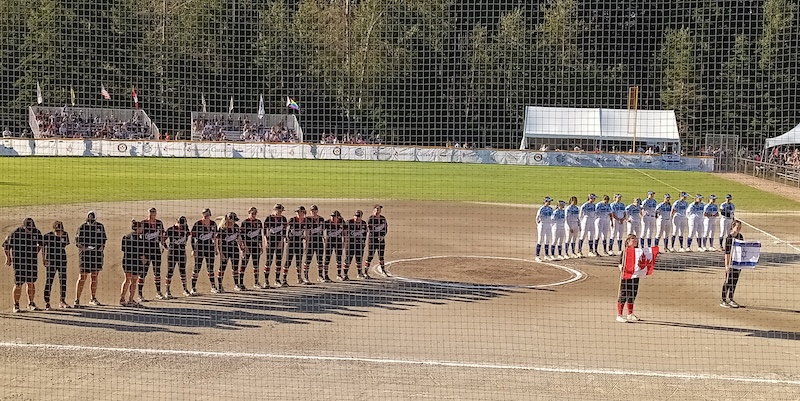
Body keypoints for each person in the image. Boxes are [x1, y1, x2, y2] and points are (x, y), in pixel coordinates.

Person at [3, 218, 44, 313]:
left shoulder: (36, 232)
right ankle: (16, 305)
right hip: (19, 262)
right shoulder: (16, 233)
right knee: (18, 284)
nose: (30, 230)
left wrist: (35, 253)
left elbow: (41, 245)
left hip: (31, 262)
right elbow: (6, 246)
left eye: (31, 228)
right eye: (28, 228)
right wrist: (8, 258)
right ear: (24, 226)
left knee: (31, 283)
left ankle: (31, 303)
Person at [75, 211, 107, 307]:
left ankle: (93, 298)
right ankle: (77, 300)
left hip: (96, 256)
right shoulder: (82, 228)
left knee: (94, 276)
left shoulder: (100, 227)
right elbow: (77, 242)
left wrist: (101, 248)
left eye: (92, 218)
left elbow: (103, 240)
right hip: (85, 256)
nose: (90, 219)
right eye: (89, 217)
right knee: (82, 277)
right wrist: (85, 248)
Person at [42, 221, 70, 310]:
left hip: (62, 260)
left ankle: (62, 300)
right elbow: (43, 247)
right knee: (49, 281)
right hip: (51, 261)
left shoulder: (65, 235)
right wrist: (44, 259)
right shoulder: (48, 236)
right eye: (57, 230)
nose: (58, 232)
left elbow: (65, 245)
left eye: (60, 230)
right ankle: (47, 302)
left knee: (63, 280)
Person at [139, 207, 166, 302]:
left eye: (154, 212)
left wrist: (163, 245)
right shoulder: (143, 223)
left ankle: (158, 292)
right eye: (150, 212)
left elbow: (162, 236)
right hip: (146, 251)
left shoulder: (159, 223)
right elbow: (139, 236)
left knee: (157, 272)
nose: (152, 214)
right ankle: (140, 294)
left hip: (156, 251)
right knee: (143, 272)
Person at [190, 208, 218, 294]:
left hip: (210, 247)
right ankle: (193, 288)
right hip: (199, 247)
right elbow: (192, 238)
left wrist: (215, 248)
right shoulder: (197, 224)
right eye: (204, 215)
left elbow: (215, 237)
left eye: (207, 215)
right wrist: (193, 249)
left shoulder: (213, 224)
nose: (206, 216)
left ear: (210, 215)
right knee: (197, 268)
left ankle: (213, 286)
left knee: (210, 268)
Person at [216, 212, 246, 292]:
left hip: (234, 249)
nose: (234, 222)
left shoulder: (236, 227)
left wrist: (242, 248)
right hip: (225, 250)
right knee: (222, 268)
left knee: (235, 268)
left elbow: (238, 238)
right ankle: (219, 286)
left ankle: (236, 285)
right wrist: (221, 253)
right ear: (229, 220)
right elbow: (219, 242)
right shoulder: (222, 229)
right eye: (233, 220)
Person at [616, 234, 643, 323]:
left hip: (635, 275)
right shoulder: (626, 251)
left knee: (632, 294)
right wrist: (622, 270)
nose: (635, 241)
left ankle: (630, 314)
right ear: (628, 241)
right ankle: (619, 315)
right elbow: (620, 263)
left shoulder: (639, 251)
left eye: (635, 240)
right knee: (623, 294)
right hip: (627, 275)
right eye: (632, 239)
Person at [120, 220, 147, 307]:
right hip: (135, 262)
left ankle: (122, 299)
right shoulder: (140, 238)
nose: (142, 229)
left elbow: (123, 249)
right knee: (134, 280)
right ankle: (130, 300)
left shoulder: (126, 237)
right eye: (141, 228)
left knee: (127, 280)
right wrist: (143, 259)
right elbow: (140, 251)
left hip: (126, 261)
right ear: (138, 228)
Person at [282, 206, 309, 286]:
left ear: (303, 212)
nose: (298, 213)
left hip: (299, 243)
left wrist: (306, 244)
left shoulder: (305, 221)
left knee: (299, 262)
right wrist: (286, 237)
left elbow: (307, 233)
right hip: (291, 243)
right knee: (288, 261)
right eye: (297, 212)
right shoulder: (292, 220)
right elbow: (285, 228)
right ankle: (284, 279)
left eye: (299, 212)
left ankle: (299, 278)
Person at [164, 216, 190, 297]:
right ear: (177, 222)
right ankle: (167, 291)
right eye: (180, 224)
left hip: (182, 252)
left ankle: (185, 290)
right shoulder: (170, 229)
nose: (181, 226)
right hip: (172, 253)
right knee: (170, 271)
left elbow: (188, 236)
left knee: (183, 271)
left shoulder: (185, 229)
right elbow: (163, 239)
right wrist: (166, 247)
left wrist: (184, 243)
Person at [721, 220, 744, 308]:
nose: (738, 229)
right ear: (733, 227)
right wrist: (727, 265)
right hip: (730, 263)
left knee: (734, 281)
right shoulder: (729, 238)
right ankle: (723, 300)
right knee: (728, 282)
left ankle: (731, 299)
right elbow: (727, 253)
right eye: (737, 227)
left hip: (737, 263)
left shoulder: (740, 236)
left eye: (740, 227)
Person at [264, 204, 287, 288]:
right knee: (269, 261)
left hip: (279, 242)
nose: (280, 213)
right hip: (270, 242)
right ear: (274, 210)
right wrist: (266, 241)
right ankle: (266, 281)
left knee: (278, 261)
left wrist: (281, 241)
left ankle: (277, 280)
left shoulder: (283, 219)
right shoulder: (268, 218)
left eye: (281, 211)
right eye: (279, 211)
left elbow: (284, 232)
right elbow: (264, 231)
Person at [240, 207, 264, 289]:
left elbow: (260, 235)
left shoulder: (259, 222)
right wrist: (244, 247)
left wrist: (261, 246)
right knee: (244, 264)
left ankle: (256, 283)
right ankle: (240, 283)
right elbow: (242, 236)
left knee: (256, 265)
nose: (254, 215)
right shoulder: (245, 223)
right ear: (249, 213)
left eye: (255, 213)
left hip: (255, 246)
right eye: (252, 213)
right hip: (247, 246)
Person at [304, 205, 327, 282]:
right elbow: (306, 231)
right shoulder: (307, 219)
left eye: (314, 210)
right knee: (308, 259)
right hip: (310, 241)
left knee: (320, 259)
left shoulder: (321, 219)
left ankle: (320, 276)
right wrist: (306, 243)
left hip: (319, 241)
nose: (313, 212)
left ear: (317, 211)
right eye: (312, 211)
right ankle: (306, 277)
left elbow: (323, 230)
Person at [366, 204, 390, 276]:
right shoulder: (371, 219)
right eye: (376, 210)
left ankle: (383, 270)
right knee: (370, 255)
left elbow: (385, 228)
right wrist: (377, 236)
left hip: (381, 240)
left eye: (379, 210)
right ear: (373, 210)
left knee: (381, 256)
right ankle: (365, 271)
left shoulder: (383, 218)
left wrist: (382, 236)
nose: (377, 211)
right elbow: (370, 230)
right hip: (372, 240)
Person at [344, 210, 368, 280]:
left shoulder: (363, 223)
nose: (356, 218)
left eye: (358, 216)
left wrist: (363, 241)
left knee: (359, 259)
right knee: (348, 259)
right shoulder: (349, 222)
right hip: (350, 244)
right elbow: (345, 232)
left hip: (359, 244)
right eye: (355, 216)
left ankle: (359, 274)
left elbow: (365, 234)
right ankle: (345, 275)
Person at [325, 210, 346, 281]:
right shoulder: (327, 223)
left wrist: (345, 241)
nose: (333, 218)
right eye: (332, 216)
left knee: (339, 258)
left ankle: (339, 274)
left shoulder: (342, 222)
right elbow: (321, 230)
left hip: (338, 242)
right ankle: (325, 275)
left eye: (335, 217)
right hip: (329, 242)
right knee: (327, 258)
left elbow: (345, 232)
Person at [535, 197, 554, 262]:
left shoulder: (551, 209)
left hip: (548, 225)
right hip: (542, 225)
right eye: (548, 201)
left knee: (547, 240)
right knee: (540, 240)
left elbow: (552, 217)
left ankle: (546, 255)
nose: (549, 203)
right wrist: (539, 225)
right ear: (545, 201)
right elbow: (537, 218)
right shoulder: (541, 209)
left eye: (550, 201)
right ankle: (537, 256)